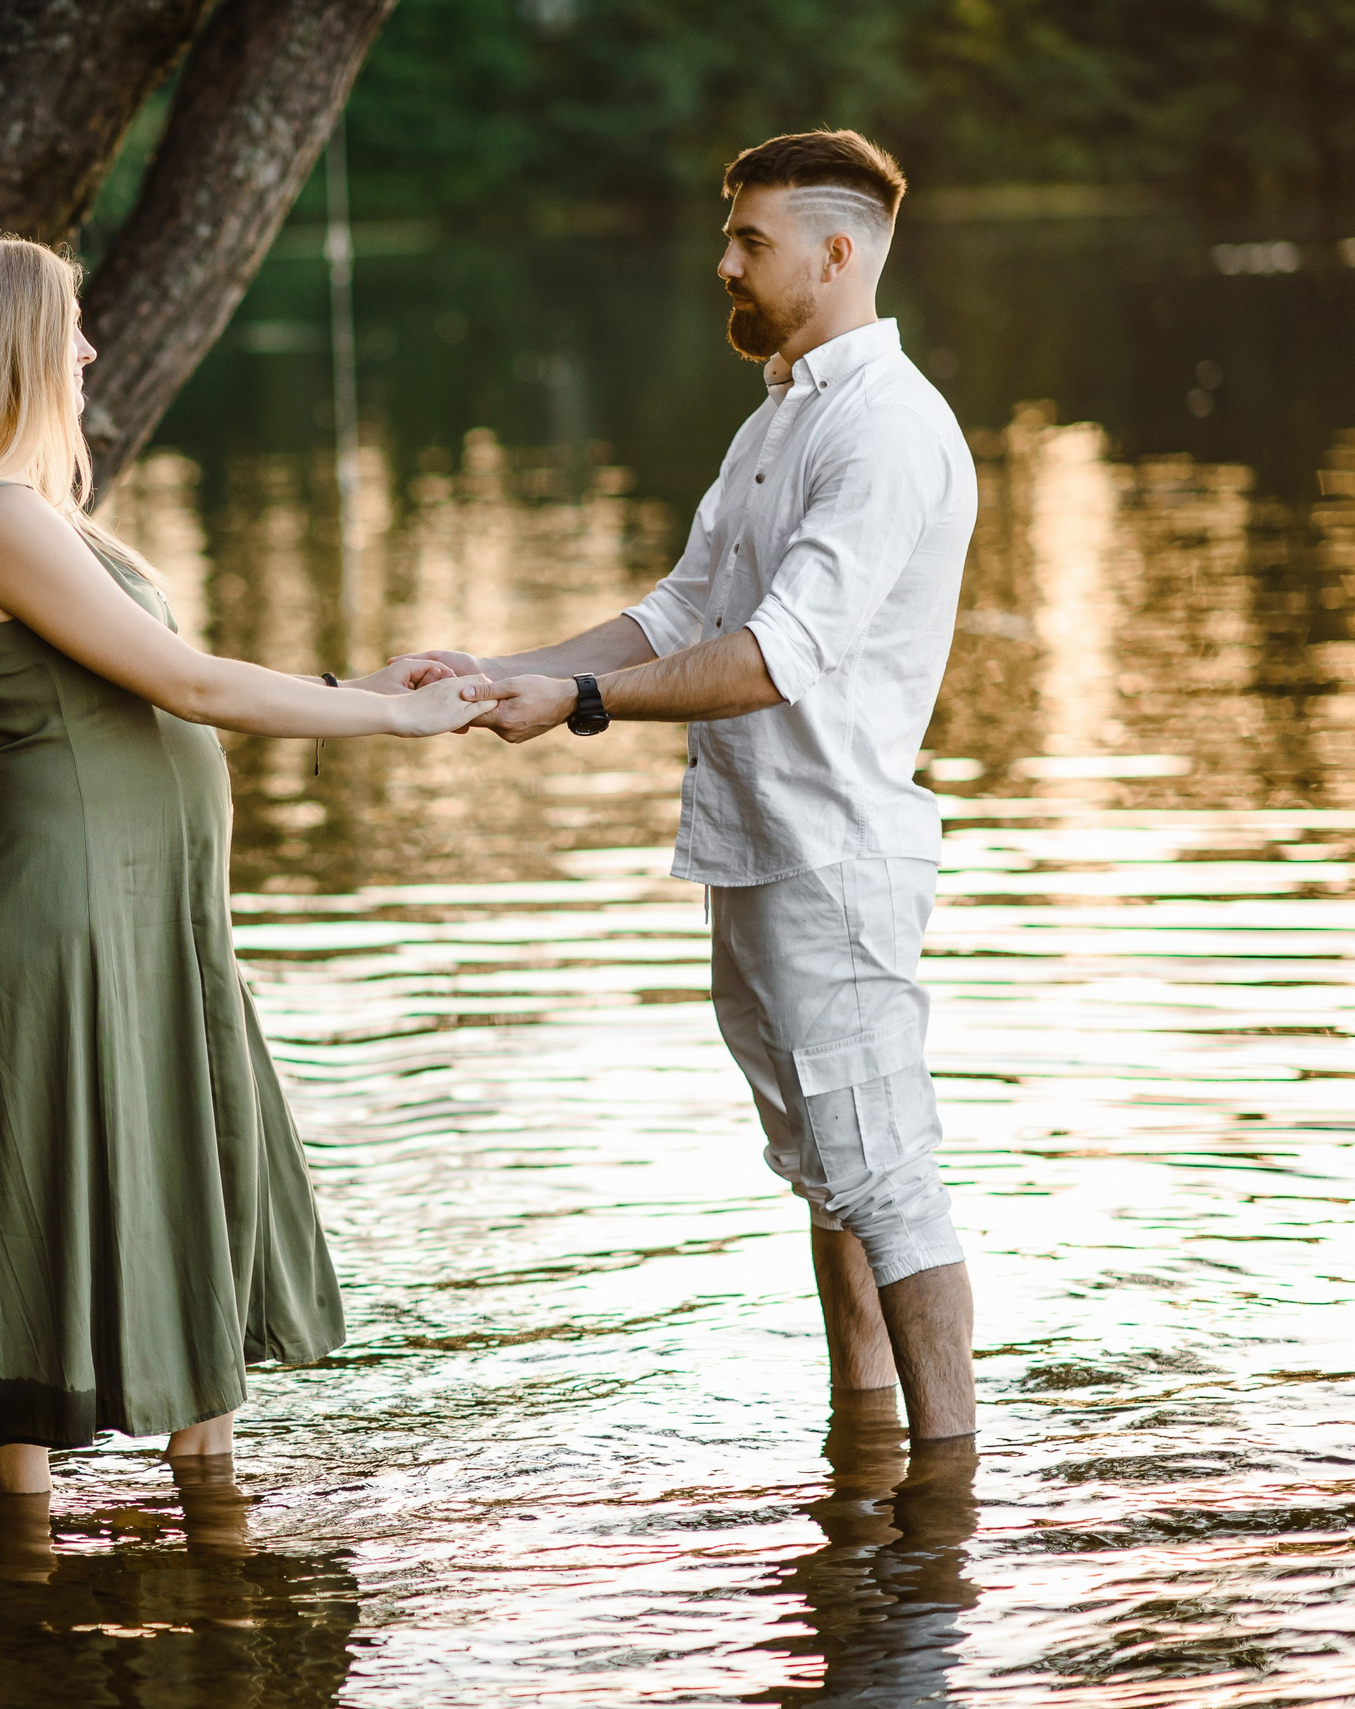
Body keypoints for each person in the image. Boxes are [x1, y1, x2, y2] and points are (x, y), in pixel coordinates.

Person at [0, 233, 503, 1498]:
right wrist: (394, 720)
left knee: (161, 1196)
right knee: (43, 1226)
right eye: (69, 327)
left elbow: (154, 696)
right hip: (81, 919)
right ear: (10, 347)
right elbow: (190, 684)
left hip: (143, 915)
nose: (90, 349)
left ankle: (167, 1535)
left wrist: (356, 684)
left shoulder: (17, 511)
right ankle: (41, 1541)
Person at [403, 130, 981, 1441]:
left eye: (749, 241)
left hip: (835, 856)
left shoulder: (886, 429)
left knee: (888, 1182)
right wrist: (500, 672)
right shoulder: (782, 414)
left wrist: (580, 702)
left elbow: (773, 656)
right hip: (758, 846)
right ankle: (864, 1434)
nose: (723, 263)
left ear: (836, 254)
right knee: (832, 1178)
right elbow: (678, 614)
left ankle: (941, 1491)